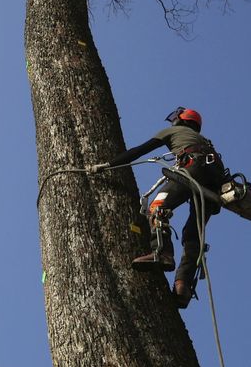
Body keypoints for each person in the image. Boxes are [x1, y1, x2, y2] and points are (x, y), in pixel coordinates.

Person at [88, 107, 227, 308]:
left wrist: (107, 165)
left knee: (157, 207)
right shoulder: (206, 143)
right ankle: (183, 285)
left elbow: (139, 151)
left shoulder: (172, 132)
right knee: (193, 234)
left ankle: (161, 252)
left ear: (181, 120)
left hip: (193, 168)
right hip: (214, 184)